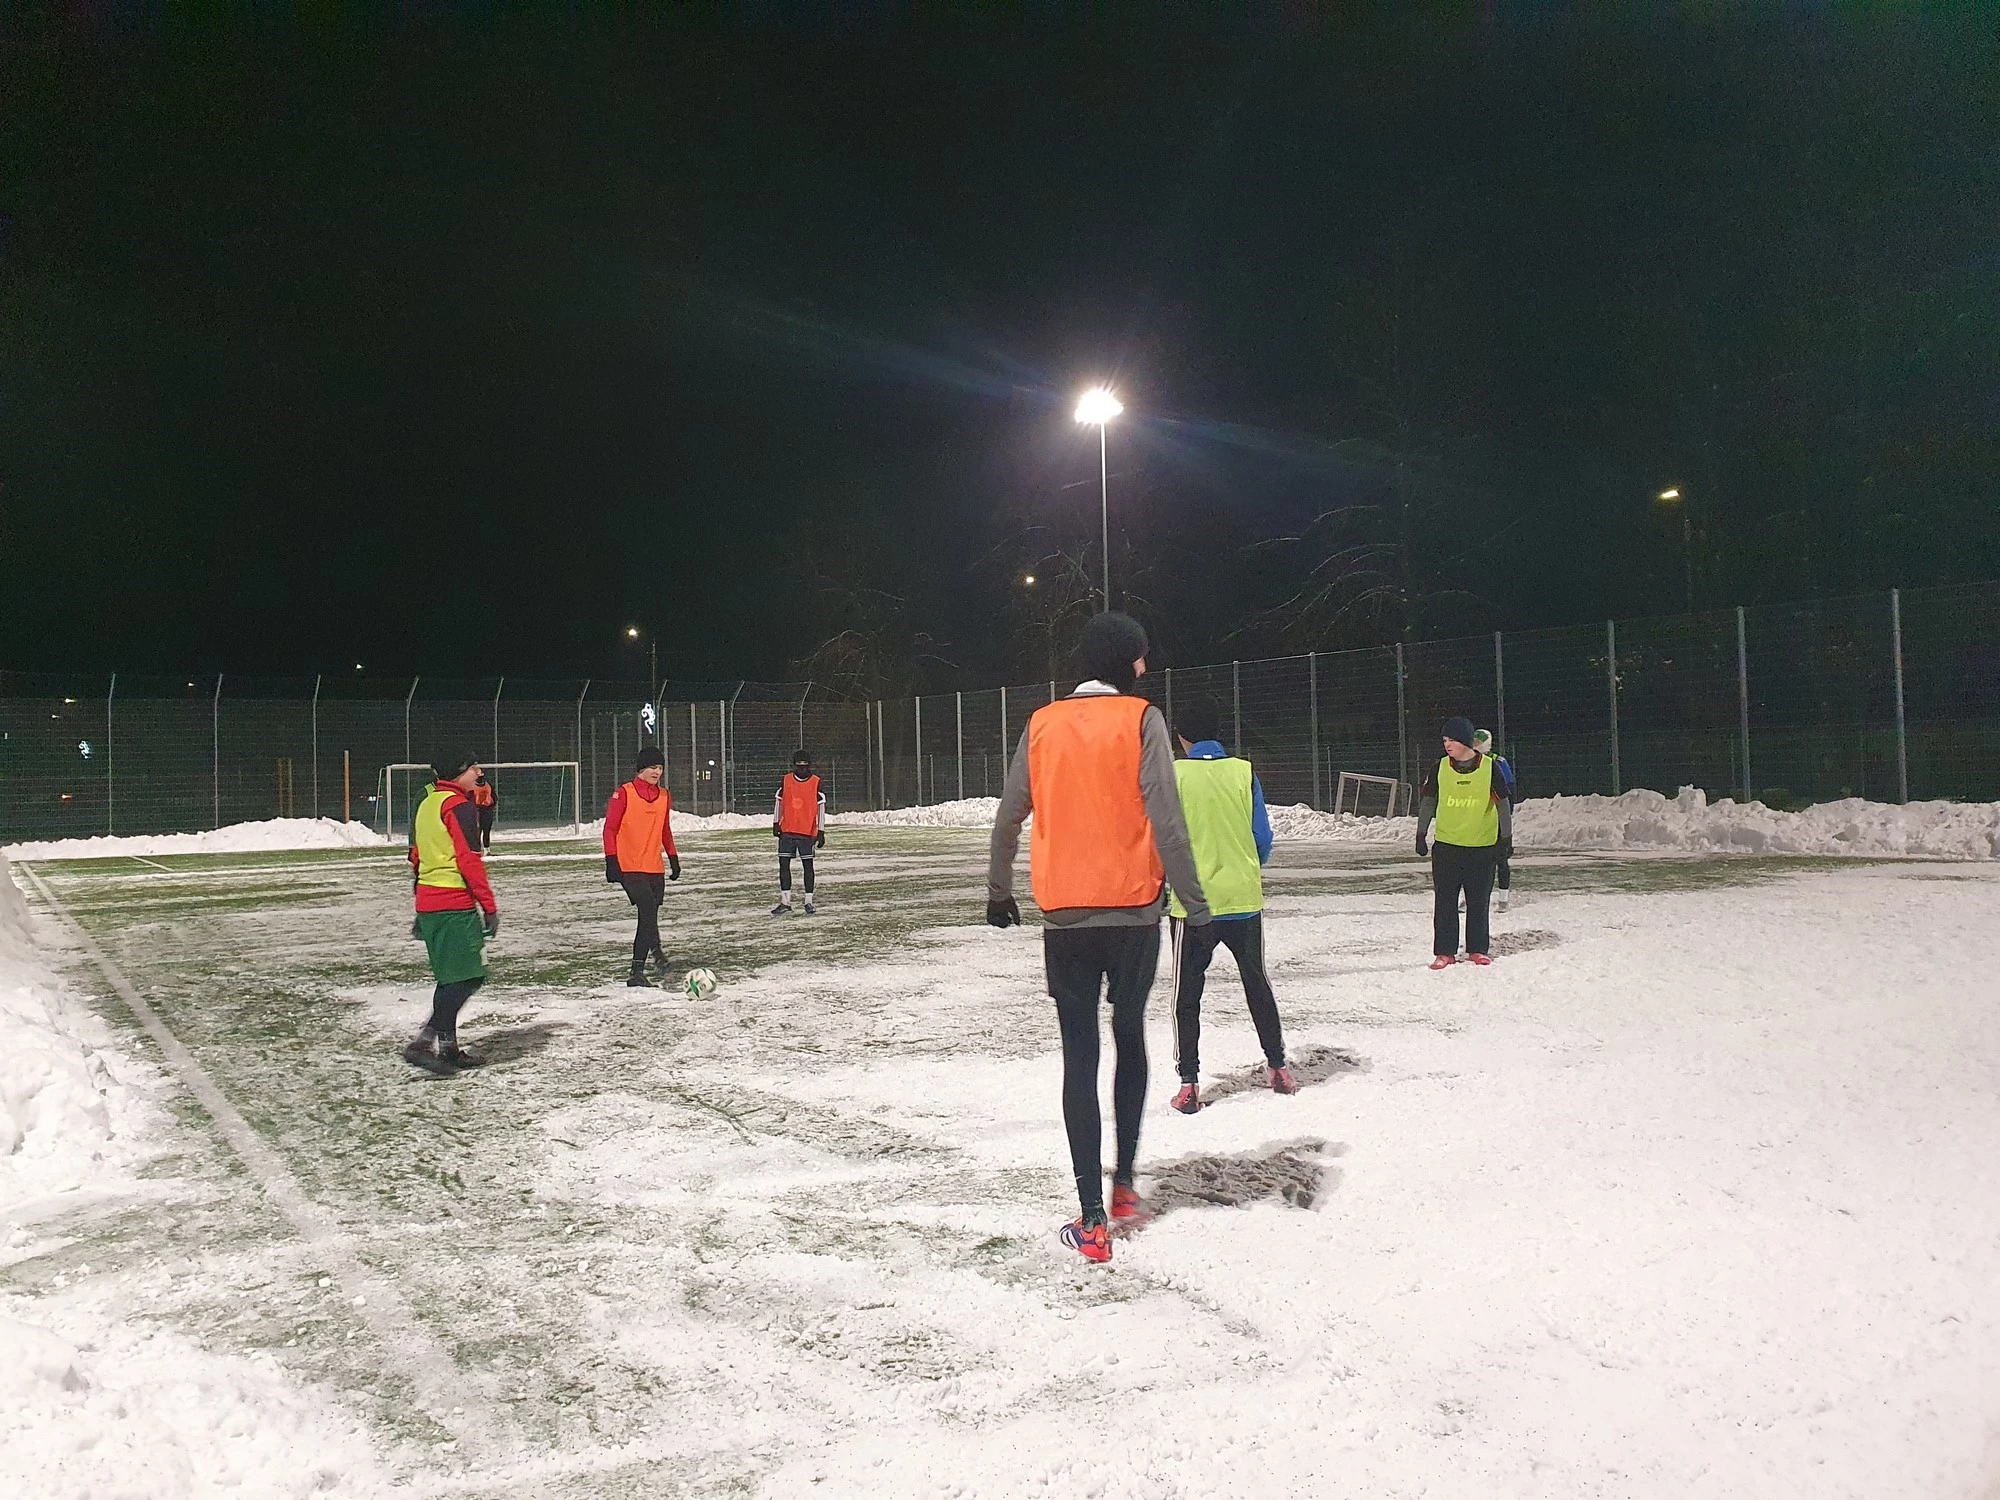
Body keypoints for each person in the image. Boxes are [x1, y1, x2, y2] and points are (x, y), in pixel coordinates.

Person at [988, 611, 1210, 1264]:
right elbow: (1167, 820)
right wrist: (1196, 905)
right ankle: (1124, 1188)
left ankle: (1090, 1218)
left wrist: (999, 890)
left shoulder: (1041, 724)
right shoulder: (1142, 719)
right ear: (1123, 661)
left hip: (1065, 917)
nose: (1145, 667)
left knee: (1079, 1055)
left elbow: (1008, 817)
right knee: (1130, 1036)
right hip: (1134, 912)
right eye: (1141, 657)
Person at [1165, 693, 1294, 1114]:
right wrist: (1244, 868)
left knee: (1187, 995)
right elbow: (1262, 838)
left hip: (1193, 904)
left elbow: (1162, 836)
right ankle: (1278, 1067)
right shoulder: (1244, 771)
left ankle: (1189, 1084)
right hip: (1243, 899)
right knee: (1256, 982)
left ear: (1181, 736)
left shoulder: (1174, 774)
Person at [403, 753, 500, 1074]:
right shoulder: (459, 807)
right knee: (470, 976)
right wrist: (488, 906)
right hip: (453, 902)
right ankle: (423, 1043)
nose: (479, 772)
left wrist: (421, 904)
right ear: (459, 772)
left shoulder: (427, 802)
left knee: (449, 979)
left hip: (429, 901)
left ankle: (448, 1049)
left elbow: (417, 856)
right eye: (474, 768)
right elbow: (469, 860)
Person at [1414, 715, 1513, 969]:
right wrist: (1421, 833)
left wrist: (1506, 838)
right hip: (1447, 846)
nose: (1447, 745)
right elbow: (1428, 801)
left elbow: (1502, 804)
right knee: (1445, 901)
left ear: (1466, 741)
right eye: (1445, 740)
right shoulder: (1439, 767)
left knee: (1478, 901)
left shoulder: (1490, 767)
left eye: (1452, 740)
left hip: (1481, 847)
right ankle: (1445, 951)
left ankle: (1477, 949)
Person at [603, 746, 680, 987]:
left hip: (653, 866)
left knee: (649, 914)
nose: (657, 772)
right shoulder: (624, 793)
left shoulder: (664, 796)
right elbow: (610, 829)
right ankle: (640, 968)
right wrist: (611, 860)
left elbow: (665, 829)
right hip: (629, 866)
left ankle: (653, 956)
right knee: (647, 911)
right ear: (641, 769)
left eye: (660, 768)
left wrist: (673, 857)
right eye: (652, 767)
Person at [771, 750, 825, 915]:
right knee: (784, 865)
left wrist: (821, 830)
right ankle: (785, 902)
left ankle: (808, 901)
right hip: (787, 830)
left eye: (804, 765)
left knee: (808, 866)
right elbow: (779, 802)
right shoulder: (786, 780)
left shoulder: (816, 782)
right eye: (799, 765)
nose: (802, 768)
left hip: (807, 832)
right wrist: (776, 823)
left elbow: (821, 807)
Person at [1471, 729, 1520, 910]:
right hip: (1478, 819)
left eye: (1478, 742)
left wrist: (1505, 819)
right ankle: (1472, 897)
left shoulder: (1498, 762)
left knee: (1501, 857)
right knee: (1474, 860)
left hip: (1496, 818)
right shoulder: (1469, 763)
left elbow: (1509, 792)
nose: (1474, 745)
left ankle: (1503, 898)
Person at [470, 771, 497, 852]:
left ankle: (486, 849)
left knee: (486, 831)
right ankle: (477, 849)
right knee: (478, 831)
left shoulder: (488, 785)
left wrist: (491, 806)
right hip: (477, 810)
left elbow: (494, 797)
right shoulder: (471, 787)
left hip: (487, 810)